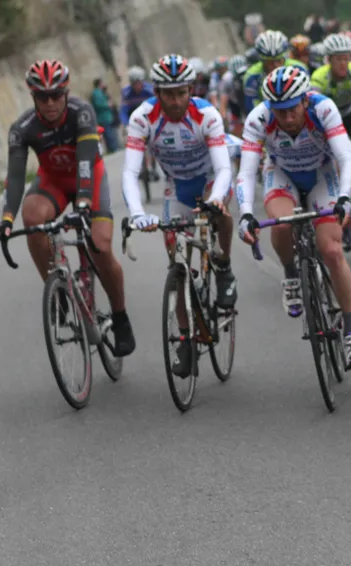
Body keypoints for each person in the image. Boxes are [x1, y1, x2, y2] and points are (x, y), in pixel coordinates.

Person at [0, 59, 136, 356]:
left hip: (88, 178)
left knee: (101, 246)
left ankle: (120, 317)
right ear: (33, 97)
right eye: (43, 97)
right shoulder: (22, 129)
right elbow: (16, 178)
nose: (51, 102)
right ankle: (59, 294)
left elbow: (84, 162)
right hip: (52, 182)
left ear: (66, 93)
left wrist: (82, 204)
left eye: (57, 95)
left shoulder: (82, 113)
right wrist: (5, 220)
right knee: (32, 218)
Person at [235, 66, 351, 369]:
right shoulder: (259, 118)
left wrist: (346, 196)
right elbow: (245, 171)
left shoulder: (323, 108)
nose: (287, 118)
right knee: (282, 225)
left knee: (332, 251)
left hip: (322, 173)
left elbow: (346, 156)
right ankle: (291, 274)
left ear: (304, 101)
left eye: (292, 109)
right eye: (279, 111)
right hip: (281, 173)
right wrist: (244, 214)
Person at [123, 55, 237, 376]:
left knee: (221, 212)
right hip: (178, 186)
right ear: (156, 93)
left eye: (181, 93)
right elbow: (131, 172)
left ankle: (224, 267)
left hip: (210, 180)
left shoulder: (206, 114)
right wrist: (137, 213)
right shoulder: (142, 118)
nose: (175, 101)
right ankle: (185, 339)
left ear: (191, 89)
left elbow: (224, 167)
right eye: (168, 93)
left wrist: (215, 199)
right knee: (177, 264)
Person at [311, 33, 351, 142]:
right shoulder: (319, 77)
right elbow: (312, 109)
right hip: (328, 117)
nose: (343, 63)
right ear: (329, 60)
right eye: (338, 59)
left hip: (350, 113)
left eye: (346, 59)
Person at [243, 30, 309, 115]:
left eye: (278, 60)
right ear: (262, 60)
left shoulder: (299, 68)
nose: (275, 66)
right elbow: (252, 108)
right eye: (269, 62)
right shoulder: (251, 76)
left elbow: (308, 100)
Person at [91, 78, 119, 152]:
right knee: (108, 133)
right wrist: (108, 105)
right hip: (103, 117)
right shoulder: (96, 93)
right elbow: (98, 104)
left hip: (108, 116)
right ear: (99, 84)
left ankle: (114, 147)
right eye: (102, 83)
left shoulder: (102, 92)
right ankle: (113, 148)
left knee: (110, 132)